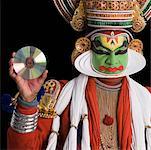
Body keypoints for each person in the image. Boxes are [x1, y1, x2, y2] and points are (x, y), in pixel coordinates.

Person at [7, 0, 151, 150]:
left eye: (120, 51)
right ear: (85, 47)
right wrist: (27, 102)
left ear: (133, 48)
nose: (112, 61)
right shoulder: (59, 96)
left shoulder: (147, 99)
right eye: (102, 51)